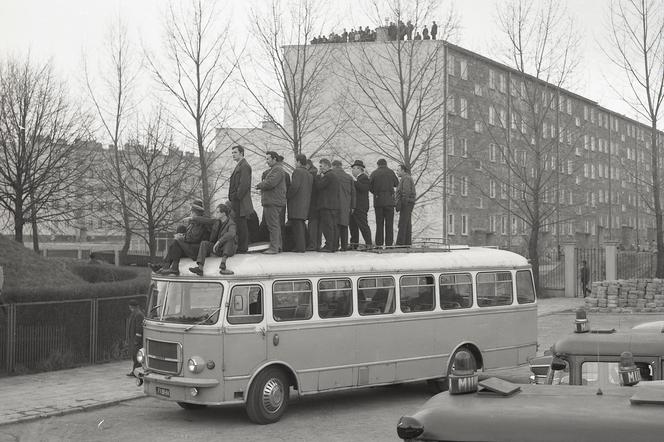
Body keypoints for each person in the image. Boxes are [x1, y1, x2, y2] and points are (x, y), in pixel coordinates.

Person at [152, 199, 213, 275]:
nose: (190, 213)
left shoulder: (200, 223)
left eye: (191, 212)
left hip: (198, 250)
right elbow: (191, 236)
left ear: (195, 212)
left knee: (176, 242)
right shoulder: (194, 223)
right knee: (175, 245)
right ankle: (166, 266)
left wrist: (182, 237)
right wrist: (182, 236)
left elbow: (195, 238)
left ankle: (170, 267)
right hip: (193, 248)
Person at [190, 204, 236, 275]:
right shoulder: (217, 221)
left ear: (223, 213)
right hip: (218, 248)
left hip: (228, 250)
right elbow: (205, 220)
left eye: (217, 212)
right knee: (204, 243)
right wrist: (193, 218)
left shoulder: (231, 223)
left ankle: (223, 265)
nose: (216, 214)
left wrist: (219, 241)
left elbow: (231, 233)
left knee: (229, 239)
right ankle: (200, 268)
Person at [256, 151, 287, 254]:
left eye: (268, 159)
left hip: (272, 201)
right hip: (274, 201)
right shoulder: (276, 169)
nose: (267, 161)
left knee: (273, 225)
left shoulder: (277, 169)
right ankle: (278, 246)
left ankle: (274, 248)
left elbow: (270, 183)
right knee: (275, 225)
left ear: (274, 159)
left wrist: (260, 184)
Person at [228, 145, 253, 254]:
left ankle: (243, 247)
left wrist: (236, 197)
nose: (233, 154)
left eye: (235, 152)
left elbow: (244, 184)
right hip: (237, 200)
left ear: (241, 153)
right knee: (239, 222)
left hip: (240, 201)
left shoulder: (244, 166)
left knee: (241, 223)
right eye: (232, 153)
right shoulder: (241, 165)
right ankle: (242, 247)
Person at [369, 158, 399, 247]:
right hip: (390, 202)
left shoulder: (374, 173)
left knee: (379, 224)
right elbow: (397, 184)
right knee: (389, 224)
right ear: (386, 164)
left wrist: (376, 193)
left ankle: (379, 244)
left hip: (378, 202)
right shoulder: (391, 172)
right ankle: (389, 244)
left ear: (378, 165)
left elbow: (369, 186)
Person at [287, 154, 313, 253]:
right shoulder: (309, 174)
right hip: (305, 203)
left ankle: (300, 247)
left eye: (295, 161)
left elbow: (294, 187)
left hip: (296, 203)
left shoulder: (297, 171)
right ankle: (303, 245)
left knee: (297, 225)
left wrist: (287, 195)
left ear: (298, 161)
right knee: (301, 224)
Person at [315, 158, 340, 252]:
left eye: (321, 166)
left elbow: (319, 186)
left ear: (326, 166)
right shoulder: (334, 176)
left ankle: (329, 246)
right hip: (334, 205)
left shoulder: (328, 176)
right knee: (334, 226)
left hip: (326, 205)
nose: (320, 168)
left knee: (327, 226)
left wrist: (317, 176)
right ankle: (335, 245)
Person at [331, 160, 355, 251]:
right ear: (341, 166)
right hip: (346, 204)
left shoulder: (331, 175)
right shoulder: (349, 177)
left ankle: (335, 245)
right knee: (344, 225)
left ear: (333, 166)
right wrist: (353, 206)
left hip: (334, 204)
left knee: (335, 225)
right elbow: (353, 193)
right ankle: (344, 246)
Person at [350, 160, 372, 249]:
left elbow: (364, 188)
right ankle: (354, 244)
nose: (352, 171)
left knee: (363, 225)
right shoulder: (360, 178)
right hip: (355, 206)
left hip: (361, 206)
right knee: (353, 225)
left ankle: (369, 243)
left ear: (359, 169)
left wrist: (354, 182)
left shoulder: (364, 178)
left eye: (354, 169)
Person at [396, 164, 417, 246]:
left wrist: (403, 203)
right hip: (409, 202)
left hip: (406, 203)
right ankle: (407, 243)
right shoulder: (406, 178)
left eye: (398, 170)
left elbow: (406, 192)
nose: (396, 172)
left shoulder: (406, 178)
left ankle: (400, 244)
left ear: (403, 170)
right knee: (407, 223)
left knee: (403, 223)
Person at [126, 299, 144, 377]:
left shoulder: (138, 314)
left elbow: (139, 329)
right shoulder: (135, 313)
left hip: (137, 341)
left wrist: (136, 340)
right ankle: (135, 371)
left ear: (132, 306)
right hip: (133, 340)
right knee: (134, 356)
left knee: (137, 356)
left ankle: (137, 372)